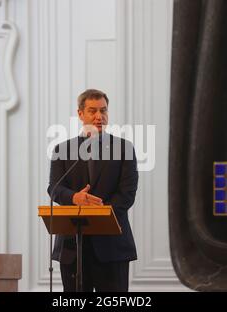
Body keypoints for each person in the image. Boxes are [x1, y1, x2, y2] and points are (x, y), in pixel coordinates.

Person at [47, 89, 138, 292]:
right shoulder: (62, 150)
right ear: (80, 114)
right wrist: (75, 197)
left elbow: (127, 194)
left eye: (103, 110)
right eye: (92, 111)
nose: (99, 116)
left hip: (112, 247)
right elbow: (54, 188)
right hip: (72, 248)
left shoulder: (124, 148)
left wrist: (98, 211)